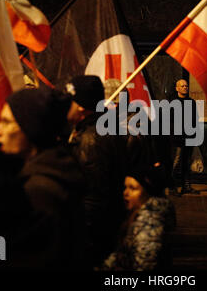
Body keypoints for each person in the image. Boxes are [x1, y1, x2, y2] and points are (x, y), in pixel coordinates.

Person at [0, 87, 87, 269]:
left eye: (6, 122)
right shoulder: (48, 174)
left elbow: (23, 257)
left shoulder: (38, 191)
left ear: (32, 129)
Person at [64, 75, 127, 268]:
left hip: (93, 234)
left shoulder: (91, 140)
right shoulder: (98, 129)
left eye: (70, 102)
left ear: (81, 107)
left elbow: (94, 196)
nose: (66, 106)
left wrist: (81, 235)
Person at [102, 161, 176, 271]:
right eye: (125, 187)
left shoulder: (150, 222)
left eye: (133, 188)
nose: (125, 193)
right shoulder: (139, 213)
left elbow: (144, 264)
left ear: (147, 192)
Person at [170, 78, 199, 195]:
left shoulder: (191, 102)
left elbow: (194, 120)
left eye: (186, 86)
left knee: (186, 163)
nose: (185, 88)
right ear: (177, 88)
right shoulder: (172, 103)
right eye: (182, 86)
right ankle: (173, 187)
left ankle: (186, 186)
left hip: (188, 137)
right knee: (176, 163)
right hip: (177, 139)